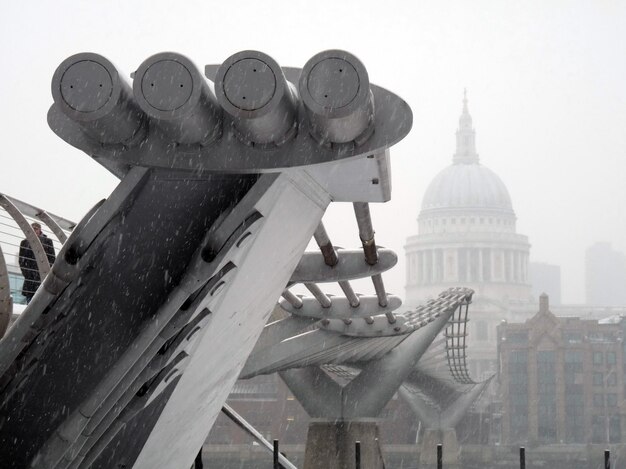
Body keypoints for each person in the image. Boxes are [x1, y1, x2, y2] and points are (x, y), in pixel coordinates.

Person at [18, 222, 56, 303]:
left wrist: (46, 273)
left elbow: (52, 259)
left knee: (44, 304)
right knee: (30, 303)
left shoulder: (47, 241)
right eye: (32, 229)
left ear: (40, 230)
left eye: (35, 229)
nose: (33, 230)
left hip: (43, 278)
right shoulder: (24, 242)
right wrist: (28, 274)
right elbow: (21, 261)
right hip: (30, 279)